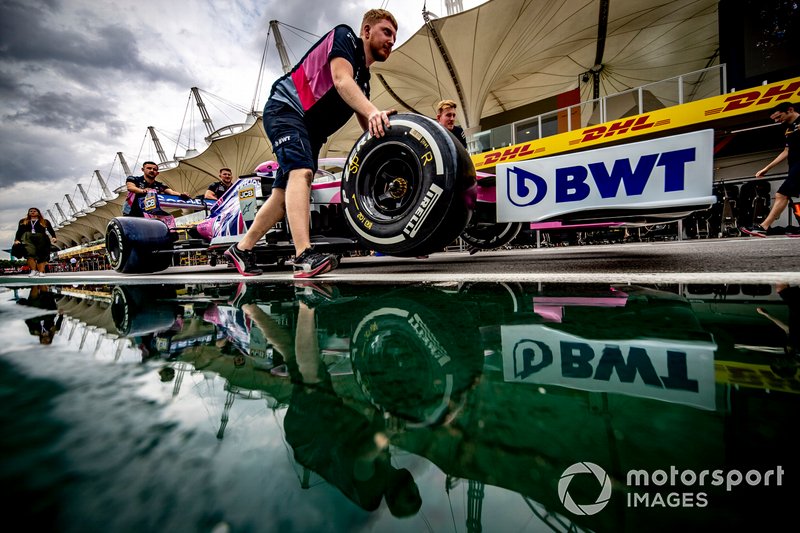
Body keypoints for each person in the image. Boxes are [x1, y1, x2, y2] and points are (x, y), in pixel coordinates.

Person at [225, 9, 398, 278]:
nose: (392, 40)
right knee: (302, 173)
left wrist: (381, 132)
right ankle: (304, 255)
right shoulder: (345, 37)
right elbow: (341, 81)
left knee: (283, 193)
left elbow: (366, 119)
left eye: (394, 36)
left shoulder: (364, 78)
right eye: (386, 32)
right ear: (366, 31)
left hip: (310, 131)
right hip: (287, 110)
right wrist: (373, 111)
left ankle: (242, 249)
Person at [740, 102, 800, 237]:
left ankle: (763, 226)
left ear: (790, 110)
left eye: (779, 117)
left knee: (781, 194)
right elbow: (786, 151)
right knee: (790, 197)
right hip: (794, 166)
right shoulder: (789, 130)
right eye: (775, 119)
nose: (777, 121)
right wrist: (766, 169)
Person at [123, 161, 189, 217]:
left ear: (157, 173)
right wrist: (143, 190)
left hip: (149, 212)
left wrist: (181, 194)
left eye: (154, 169)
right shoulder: (134, 179)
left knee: (168, 218)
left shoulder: (159, 185)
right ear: (143, 170)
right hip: (132, 212)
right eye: (149, 168)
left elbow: (171, 192)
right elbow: (130, 187)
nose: (152, 170)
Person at [14, 207, 56, 277]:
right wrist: (17, 239)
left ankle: (41, 271)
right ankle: (33, 270)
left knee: (42, 255)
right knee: (29, 254)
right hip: (27, 238)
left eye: (34, 211)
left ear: (38, 213)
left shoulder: (44, 221)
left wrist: (54, 237)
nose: (32, 212)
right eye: (30, 211)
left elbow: (50, 230)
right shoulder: (23, 221)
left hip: (41, 238)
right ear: (28, 213)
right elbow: (19, 231)